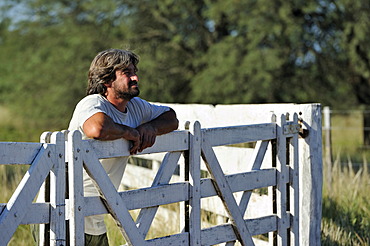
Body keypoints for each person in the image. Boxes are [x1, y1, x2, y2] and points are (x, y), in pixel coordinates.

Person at [68, 48, 179, 245]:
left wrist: (151, 127)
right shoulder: (92, 103)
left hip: (94, 217)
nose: (135, 77)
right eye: (127, 73)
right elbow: (97, 128)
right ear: (106, 80)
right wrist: (130, 133)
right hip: (66, 213)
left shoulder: (136, 106)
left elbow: (171, 118)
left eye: (134, 71)